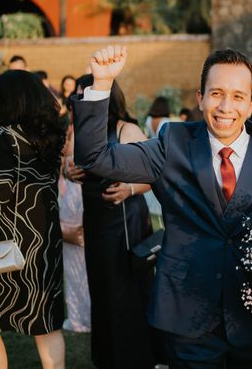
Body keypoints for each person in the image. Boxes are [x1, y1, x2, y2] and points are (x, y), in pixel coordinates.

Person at [72, 48, 252, 368]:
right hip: (187, 318)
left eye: (237, 96)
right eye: (216, 94)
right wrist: (102, 84)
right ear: (200, 97)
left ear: (251, 103)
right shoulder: (171, 144)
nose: (225, 107)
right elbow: (94, 157)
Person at [69, 74, 158, 369]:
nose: (81, 102)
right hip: (95, 221)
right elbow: (67, 163)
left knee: (127, 291)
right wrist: (69, 170)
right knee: (102, 289)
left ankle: (136, 358)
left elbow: (154, 174)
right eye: (79, 97)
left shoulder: (126, 129)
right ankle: (107, 358)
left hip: (126, 221)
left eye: (87, 96)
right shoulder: (78, 133)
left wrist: (130, 188)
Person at [0, 70, 65, 369]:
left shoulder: (1, 140)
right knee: (47, 324)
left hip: (4, 247)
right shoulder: (50, 139)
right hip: (45, 248)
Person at [58, 111, 91, 333]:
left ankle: (85, 315)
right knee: (72, 261)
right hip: (69, 193)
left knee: (82, 258)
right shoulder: (71, 129)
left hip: (78, 195)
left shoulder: (83, 132)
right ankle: (79, 315)